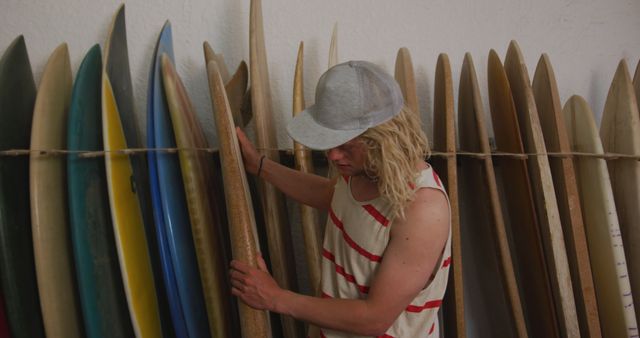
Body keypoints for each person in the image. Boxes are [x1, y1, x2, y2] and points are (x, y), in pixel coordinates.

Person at [230, 60, 451, 337]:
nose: (333, 156)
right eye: (330, 143)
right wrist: (260, 166)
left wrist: (275, 298)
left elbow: (374, 318)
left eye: (346, 146)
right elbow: (330, 195)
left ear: (384, 139)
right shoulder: (365, 172)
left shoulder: (423, 208)